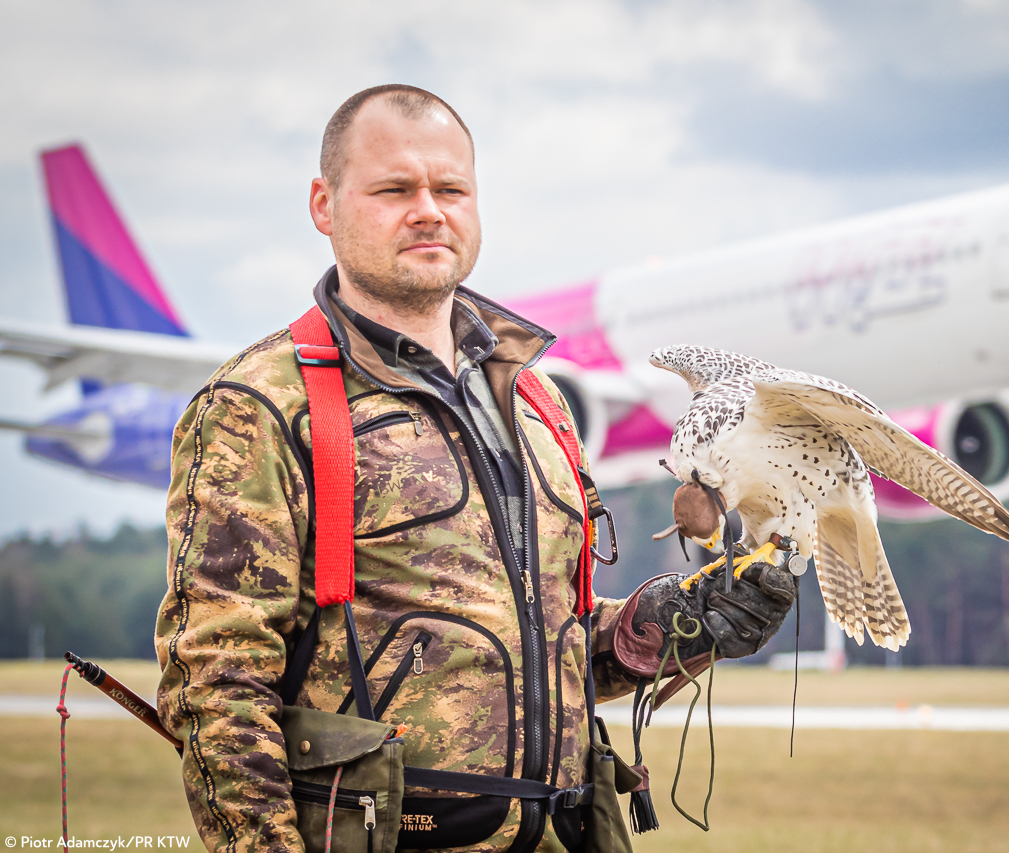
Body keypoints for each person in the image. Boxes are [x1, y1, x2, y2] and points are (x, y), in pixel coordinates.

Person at [154, 84, 795, 853]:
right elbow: (215, 682)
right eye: (394, 189)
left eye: (450, 188)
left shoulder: (538, 401)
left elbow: (554, 645)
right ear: (324, 206)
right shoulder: (261, 403)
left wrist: (668, 625)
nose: (429, 209)